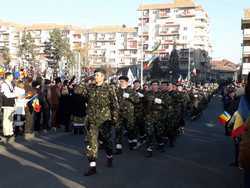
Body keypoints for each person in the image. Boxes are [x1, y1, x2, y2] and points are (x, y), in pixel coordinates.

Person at [75, 68, 119, 176]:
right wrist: (85, 79)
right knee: (91, 143)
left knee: (107, 142)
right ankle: (92, 167)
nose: (96, 77)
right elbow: (77, 91)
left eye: (98, 75)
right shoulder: (90, 88)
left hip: (105, 121)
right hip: (92, 121)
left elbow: (115, 104)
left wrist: (114, 119)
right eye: (95, 75)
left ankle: (109, 157)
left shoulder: (109, 88)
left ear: (103, 77)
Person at [115, 76, 139, 153]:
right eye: (120, 81)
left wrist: (130, 96)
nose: (120, 83)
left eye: (122, 81)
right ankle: (118, 147)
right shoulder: (117, 91)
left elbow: (137, 100)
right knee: (118, 129)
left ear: (126, 82)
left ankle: (132, 142)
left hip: (129, 113)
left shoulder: (131, 91)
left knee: (130, 129)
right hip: (119, 113)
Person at [1, 72, 16, 137]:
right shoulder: (4, 84)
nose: (12, 77)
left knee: (10, 118)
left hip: (11, 103)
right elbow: (7, 95)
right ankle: (6, 133)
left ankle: (10, 132)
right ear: (8, 77)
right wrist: (16, 94)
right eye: (11, 76)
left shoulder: (10, 83)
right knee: (6, 119)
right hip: (6, 103)